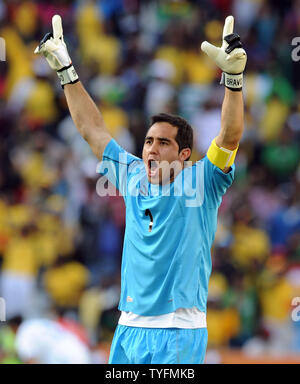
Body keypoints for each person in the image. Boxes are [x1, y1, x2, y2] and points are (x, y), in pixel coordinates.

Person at [35, 14, 246, 364]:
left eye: (162, 143)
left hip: (178, 329)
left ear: (184, 155)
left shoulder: (203, 179)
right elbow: (93, 130)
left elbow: (230, 135)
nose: (150, 149)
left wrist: (234, 81)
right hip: (128, 326)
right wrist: (66, 72)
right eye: (148, 141)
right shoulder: (132, 175)